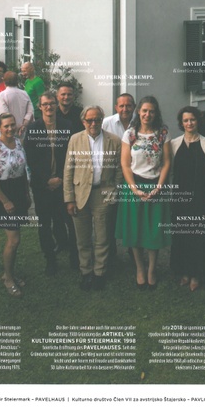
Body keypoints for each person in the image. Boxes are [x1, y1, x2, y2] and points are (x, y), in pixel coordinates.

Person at [115, 96, 171, 290]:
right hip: (134, 187)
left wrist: (159, 187)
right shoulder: (130, 134)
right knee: (135, 230)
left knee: (153, 231)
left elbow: (166, 162)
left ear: (156, 113)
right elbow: (125, 164)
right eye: (144, 110)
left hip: (156, 187)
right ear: (138, 111)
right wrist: (134, 189)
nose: (148, 114)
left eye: (151, 111)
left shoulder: (163, 133)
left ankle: (152, 270)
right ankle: (140, 268)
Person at [64, 106, 122, 291]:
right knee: (82, 238)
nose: (94, 123)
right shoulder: (75, 139)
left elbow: (119, 170)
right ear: (84, 122)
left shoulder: (114, 140)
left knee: (102, 238)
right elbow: (68, 170)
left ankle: (99, 273)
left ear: (102, 120)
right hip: (80, 194)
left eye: (97, 119)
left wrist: (114, 190)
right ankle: (86, 272)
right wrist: (69, 199)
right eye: (90, 120)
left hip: (103, 193)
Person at [25, 92, 73, 275]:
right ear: (40, 107)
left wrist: (60, 178)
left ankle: (69, 250)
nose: (49, 107)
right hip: (42, 185)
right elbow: (31, 158)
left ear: (56, 104)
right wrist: (47, 179)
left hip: (62, 182)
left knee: (63, 218)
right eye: (45, 104)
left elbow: (71, 155)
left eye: (52, 103)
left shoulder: (67, 126)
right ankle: (50, 259)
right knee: (44, 223)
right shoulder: (33, 128)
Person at [170, 106, 205, 291]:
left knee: (198, 237)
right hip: (180, 199)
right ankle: (184, 271)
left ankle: (197, 274)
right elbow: (170, 173)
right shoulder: (174, 144)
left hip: (200, 198)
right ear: (181, 123)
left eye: (192, 119)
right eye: (186, 120)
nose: (189, 123)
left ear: (198, 121)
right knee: (182, 236)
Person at [0, 113, 30, 297]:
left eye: (12, 124)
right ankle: (8, 279)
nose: (10, 128)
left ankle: (9, 272)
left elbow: (23, 170)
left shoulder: (18, 142)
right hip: (4, 195)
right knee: (14, 240)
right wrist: (5, 201)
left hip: (19, 192)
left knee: (16, 238)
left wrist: (26, 193)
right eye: (6, 126)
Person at [102, 92, 136, 262]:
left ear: (134, 107)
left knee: (132, 215)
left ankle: (133, 250)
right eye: (121, 106)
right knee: (110, 215)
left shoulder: (140, 122)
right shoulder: (107, 123)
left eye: (128, 105)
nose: (125, 109)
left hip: (134, 176)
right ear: (116, 107)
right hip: (112, 176)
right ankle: (111, 253)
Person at [0, 72, 34, 139]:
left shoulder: (2, 95)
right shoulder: (25, 94)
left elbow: (4, 115)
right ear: (17, 81)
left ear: (4, 81)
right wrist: (24, 125)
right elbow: (30, 112)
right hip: (22, 131)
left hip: (7, 132)